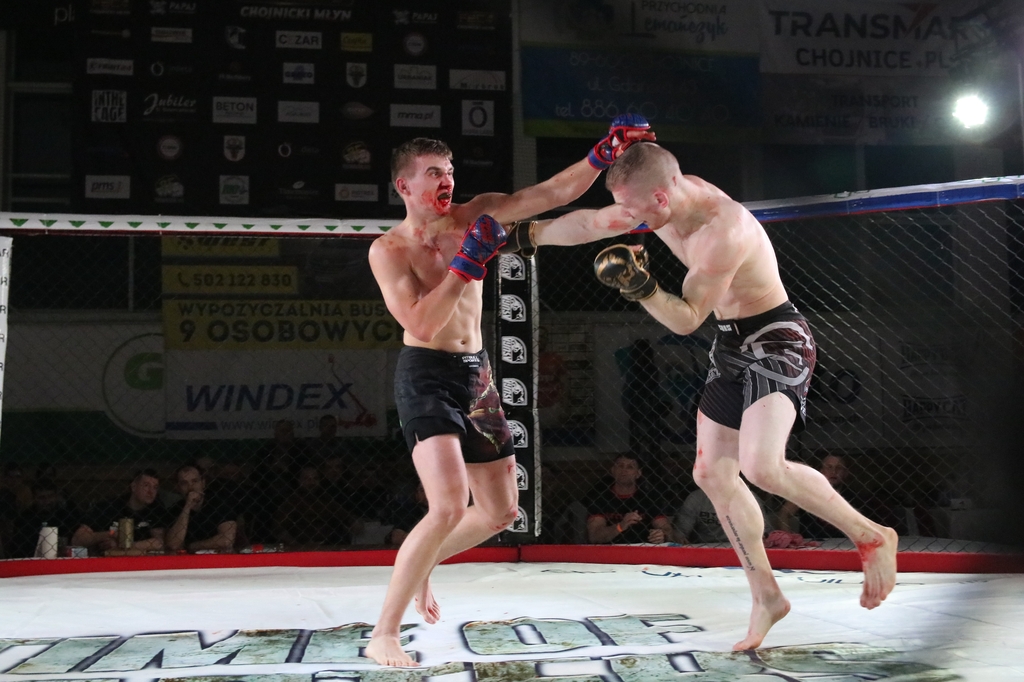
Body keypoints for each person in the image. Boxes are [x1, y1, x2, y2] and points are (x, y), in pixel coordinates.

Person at [512, 142, 898, 651]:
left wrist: (641, 287)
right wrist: (526, 235)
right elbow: (590, 224)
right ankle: (767, 596)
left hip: (777, 337)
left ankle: (871, 534)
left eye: (635, 208)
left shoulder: (722, 229)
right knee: (712, 472)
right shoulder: (654, 201)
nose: (629, 217)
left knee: (762, 467)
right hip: (732, 341)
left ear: (662, 195)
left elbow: (687, 319)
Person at [364, 117, 655, 666]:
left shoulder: (475, 214)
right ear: (404, 185)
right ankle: (384, 632)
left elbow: (551, 193)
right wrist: (466, 265)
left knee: (500, 513)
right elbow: (422, 323)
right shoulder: (389, 250)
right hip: (426, 375)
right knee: (448, 505)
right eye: (433, 172)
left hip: (475, 374)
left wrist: (600, 155)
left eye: (449, 170)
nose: (446, 180)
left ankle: (421, 562)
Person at [776, 453, 901, 539]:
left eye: (839, 468)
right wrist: (788, 537)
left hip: (843, 543)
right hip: (814, 543)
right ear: (821, 471)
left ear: (845, 473)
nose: (833, 472)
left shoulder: (853, 496)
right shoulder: (808, 492)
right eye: (829, 467)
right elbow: (784, 513)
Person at [72, 469, 167, 554]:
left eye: (155, 487)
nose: (151, 492)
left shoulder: (156, 508)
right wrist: (111, 534)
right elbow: (78, 539)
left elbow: (159, 543)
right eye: (146, 485)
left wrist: (121, 546)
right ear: (133, 486)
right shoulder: (111, 506)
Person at [584, 453, 673, 544]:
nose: (624, 470)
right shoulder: (600, 498)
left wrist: (662, 535)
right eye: (620, 466)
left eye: (630, 467)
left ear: (638, 473)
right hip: (609, 549)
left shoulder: (649, 498)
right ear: (612, 470)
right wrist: (621, 526)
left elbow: (666, 528)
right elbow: (594, 536)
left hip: (641, 548)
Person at [166, 464, 237, 553]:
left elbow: (226, 540)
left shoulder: (219, 504)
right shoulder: (175, 509)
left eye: (195, 481)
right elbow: (173, 545)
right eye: (184, 483)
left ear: (203, 483)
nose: (190, 487)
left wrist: (192, 546)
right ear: (178, 487)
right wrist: (187, 507)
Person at [675, 486, 771, 544]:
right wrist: (680, 539)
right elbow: (680, 533)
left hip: (742, 548)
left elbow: (766, 531)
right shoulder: (697, 498)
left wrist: (763, 538)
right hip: (704, 546)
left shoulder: (749, 498)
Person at [10, 479, 82, 558]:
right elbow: (18, 549)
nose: (47, 501)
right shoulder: (25, 519)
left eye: (50, 496)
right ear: (34, 498)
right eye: (42, 498)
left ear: (56, 496)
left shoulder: (65, 515)